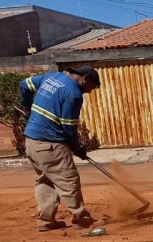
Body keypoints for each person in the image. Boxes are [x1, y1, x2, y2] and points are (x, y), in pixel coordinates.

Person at [20, 66, 101, 232]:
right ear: (85, 78)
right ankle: (80, 218)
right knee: (68, 179)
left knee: (46, 179)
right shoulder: (74, 95)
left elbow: (24, 84)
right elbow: (68, 127)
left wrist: (26, 107)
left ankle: (46, 221)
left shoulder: (51, 77)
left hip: (31, 142)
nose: (90, 92)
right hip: (50, 144)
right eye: (92, 87)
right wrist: (77, 147)